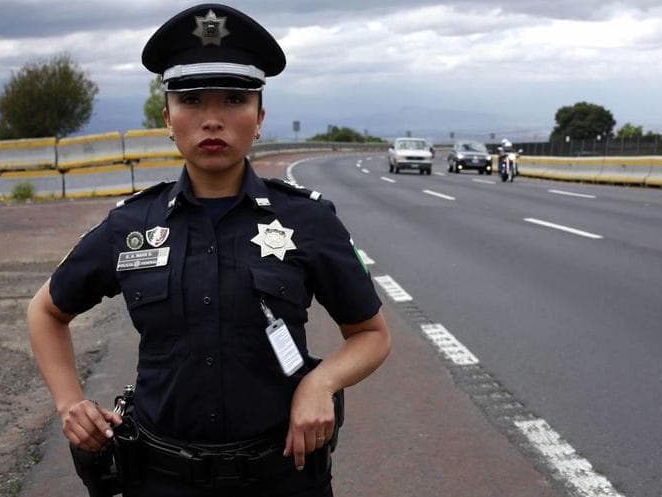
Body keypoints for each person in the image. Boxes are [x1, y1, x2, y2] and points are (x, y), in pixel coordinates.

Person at [27, 4, 391, 496]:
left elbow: (370, 334)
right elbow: (46, 310)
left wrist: (319, 383)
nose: (213, 119)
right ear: (168, 117)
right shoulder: (133, 224)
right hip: (158, 480)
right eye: (192, 100)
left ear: (259, 118)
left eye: (235, 100)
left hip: (282, 478)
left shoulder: (307, 220)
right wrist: (71, 406)